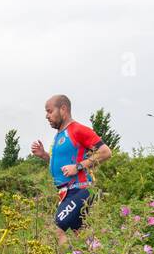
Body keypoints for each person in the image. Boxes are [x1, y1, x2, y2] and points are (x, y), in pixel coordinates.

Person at [30, 95, 112, 244]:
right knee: (84, 234)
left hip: (79, 190)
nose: (46, 116)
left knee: (56, 230)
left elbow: (106, 152)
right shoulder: (59, 135)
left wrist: (78, 166)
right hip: (66, 193)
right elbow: (63, 164)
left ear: (63, 109)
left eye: (49, 111)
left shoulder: (78, 130)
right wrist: (44, 156)